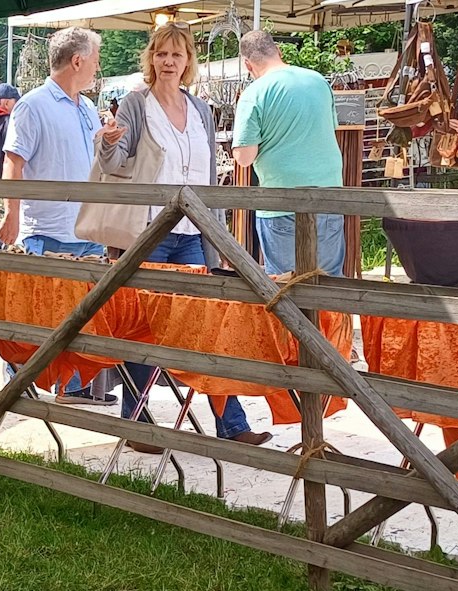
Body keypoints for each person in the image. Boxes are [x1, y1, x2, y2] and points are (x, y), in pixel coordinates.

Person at [97, 22, 269, 447]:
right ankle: (135, 422)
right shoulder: (135, 105)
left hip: (194, 233)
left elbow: (207, 177)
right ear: (151, 59)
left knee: (203, 326)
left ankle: (232, 426)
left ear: (188, 60)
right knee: (144, 326)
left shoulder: (201, 111)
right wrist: (107, 141)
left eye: (176, 54)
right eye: (160, 54)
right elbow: (114, 165)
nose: (168, 62)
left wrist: (218, 236)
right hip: (150, 232)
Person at [1, 27, 123, 405]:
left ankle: (69, 385)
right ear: (77, 61)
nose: (97, 68)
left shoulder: (86, 106)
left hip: (85, 226)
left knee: (82, 315)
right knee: (41, 314)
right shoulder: (33, 104)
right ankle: (19, 379)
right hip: (48, 227)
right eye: (96, 60)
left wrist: (106, 140)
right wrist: (12, 215)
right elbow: (13, 162)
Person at [232, 30, 345, 277]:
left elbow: (244, 158)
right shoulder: (318, 81)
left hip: (280, 201)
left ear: (247, 64)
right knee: (332, 284)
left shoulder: (254, 93)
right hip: (330, 195)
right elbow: (328, 129)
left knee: (287, 285)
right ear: (279, 52)